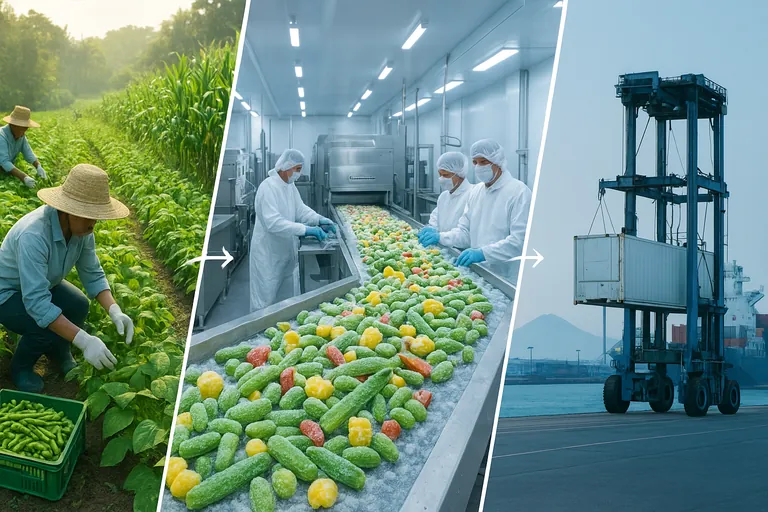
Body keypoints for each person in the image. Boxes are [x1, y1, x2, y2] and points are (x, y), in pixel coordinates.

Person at [0, 164, 135, 393]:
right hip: (8, 293)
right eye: (88, 215)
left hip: (41, 284)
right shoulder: (33, 234)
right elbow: (37, 304)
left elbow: (92, 272)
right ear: (67, 210)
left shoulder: (82, 230)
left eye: (96, 216)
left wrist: (115, 310)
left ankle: (59, 352)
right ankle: (20, 368)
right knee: (40, 324)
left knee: (78, 304)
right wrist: (83, 340)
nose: (93, 223)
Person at [418, 139, 531, 283]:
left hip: (507, 278)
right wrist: (440, 237)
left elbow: (520, 241)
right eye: (475, 162)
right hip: (479, 273)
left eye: (483, 162)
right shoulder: (477, 192)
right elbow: (465, 232)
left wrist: (483, 253)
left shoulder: (518, 192)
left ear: (498, 161)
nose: (478, 167)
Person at [250, 149, 337, 312]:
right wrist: (305, 230)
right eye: (297, 169)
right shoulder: (268, 187)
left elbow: (300, 209)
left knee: (285, 303)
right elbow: (273, 223)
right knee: (265, 304)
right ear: (286, 167)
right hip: (268, 255)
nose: (299, 173)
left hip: (285, 252)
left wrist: (318, 219)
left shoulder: (289, 186)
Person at [423, 152, 475, 242]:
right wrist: (432, 228)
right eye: (440, 174)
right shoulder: (444, 196)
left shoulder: (472, 194)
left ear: (460, 174)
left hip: (463, 252)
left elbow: (468, 233)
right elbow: (436, 216)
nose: (441, 179)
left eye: (446, 175)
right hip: (445, 247)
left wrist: (441, 237)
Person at [0, 106, 47, 189]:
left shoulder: (21, 136)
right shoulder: (1, 136)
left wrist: (38, 166)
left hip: (5, 171)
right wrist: (24, 177)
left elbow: (28, 153)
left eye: (26, 129)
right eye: (22, 129)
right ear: (14, 125)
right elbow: (4, 162)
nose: (24, 132)